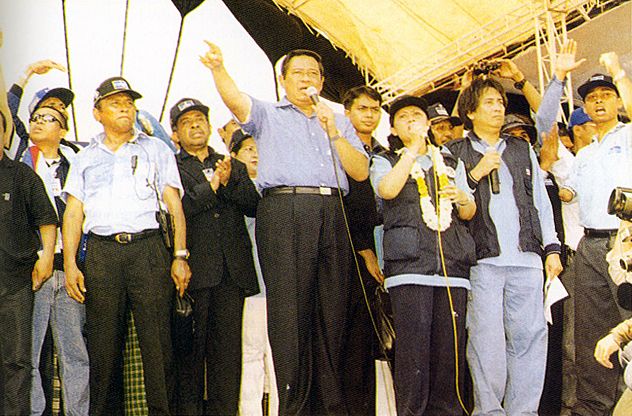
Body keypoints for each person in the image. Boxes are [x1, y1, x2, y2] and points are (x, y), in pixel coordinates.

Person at [201, 41, 368, 415]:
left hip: (332, 208)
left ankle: (331, 405)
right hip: (284, 207)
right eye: (299, 73)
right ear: (284, 80)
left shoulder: (337, 120)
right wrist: (218, 69)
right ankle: (295, 406)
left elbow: (359, 171)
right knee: (290, 313)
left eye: (313, 74)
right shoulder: (268, 114)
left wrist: (335, 132)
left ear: (322, 81)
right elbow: (236, 102)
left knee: (332, 310)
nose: (307, 80)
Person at [62, 76, 190, 415]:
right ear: (97, 112)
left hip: (147, 250)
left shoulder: (156, 149)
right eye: (116, 103)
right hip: (102, 254)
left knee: (158, 344)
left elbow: (174, 205)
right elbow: (74, 213)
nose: (125, 109)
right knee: (104, 348)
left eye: (130, 103)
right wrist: (72, 263)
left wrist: (179, 255)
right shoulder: (85, 157)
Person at [448, 76, 563, 415]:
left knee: (530, 339)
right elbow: (453, 203)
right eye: (489, 102)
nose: (498, 107)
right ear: (470, 111)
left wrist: (552, 248)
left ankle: (524, 411)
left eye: (500, 102)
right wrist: (475, 174)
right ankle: (489, 411)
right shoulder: (456, 151)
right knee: (487, 346)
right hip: (482, 260)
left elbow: (540, 202)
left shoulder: (520, 148)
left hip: (527, 259)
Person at [371, 95, 476, 415]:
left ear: (428, 122)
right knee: (414, 355)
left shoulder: (450, 160)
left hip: (451, 268)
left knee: (449, 356)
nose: (412, 121)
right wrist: (412, 152)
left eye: (417, 116)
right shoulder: (386, 159)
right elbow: (386, 190)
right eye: (403, 118)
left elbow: (470, 211)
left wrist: (459, 196)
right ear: (393, 127)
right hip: (410, 268)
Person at [169, 97, 260, 415]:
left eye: (200, 119)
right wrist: (213, 185)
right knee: (190, 358)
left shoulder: (231, 163)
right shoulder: (172, 166)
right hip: (194, 275)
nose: (195, 125)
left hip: (231, 275)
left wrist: (230, 180)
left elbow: (253, 204)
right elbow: (182, 209)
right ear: (176, 134)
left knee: (227, 358)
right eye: (186, 122)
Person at [559, 53, 632, 415]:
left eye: (606, 94)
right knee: (590, 330)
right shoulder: (584, 153)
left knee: (629, 321)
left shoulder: (629, 134)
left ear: (618, 100)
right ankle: (593, 408)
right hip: (589, 244)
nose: (599, 101)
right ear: (584, 107)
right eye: (591, 97)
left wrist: (619, 72)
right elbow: (567, 192)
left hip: (626, 240)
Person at [0, 33, 57, 414]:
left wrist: (47, 259)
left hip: (15, 283)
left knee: (18, 362)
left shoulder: (21, 174)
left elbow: (47, 220)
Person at [22, 104, 89, 415]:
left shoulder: (80, 162)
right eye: (35, 118)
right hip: (31, 271)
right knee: (28, 353)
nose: (38, 123)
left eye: (48, 119)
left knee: (74, 352)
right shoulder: (21, 160)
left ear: (63, 130)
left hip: (70, 267)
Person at [340, 85, 385, 415]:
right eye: (362, 109)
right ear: (347, 113)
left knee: (379, 341)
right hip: (351, 257)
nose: (369, 115)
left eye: (374, 109)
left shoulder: (385, 153)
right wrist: (363, 248)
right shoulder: (339, 152)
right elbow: (346, 207)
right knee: (353, 343)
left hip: (387, 255)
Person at [229, 129, 279, 416]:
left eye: (260, 147)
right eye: (248, 149)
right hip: (249, 289)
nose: (256, 153)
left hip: (277, 288)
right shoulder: (232, 190)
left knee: (277, 360)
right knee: (249, 359)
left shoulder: (277, 189)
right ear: (234, 155)